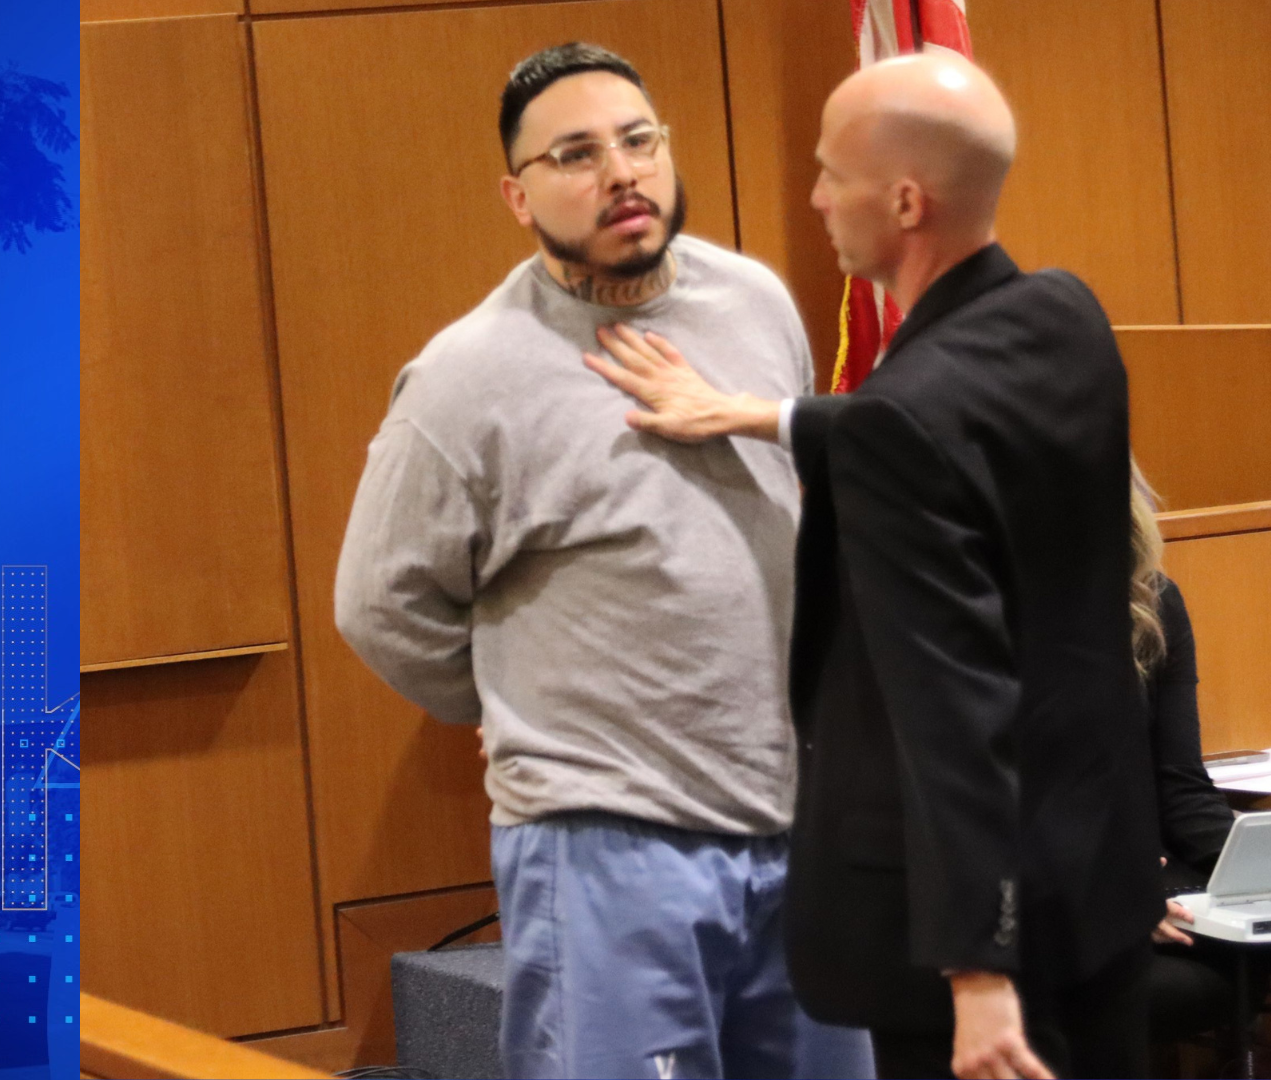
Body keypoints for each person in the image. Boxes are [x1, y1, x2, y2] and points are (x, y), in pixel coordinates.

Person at [582, 52, 1164, 1079]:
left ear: (904, 200)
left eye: (828, 173)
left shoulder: (905, 424)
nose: (813, 198)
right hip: (1099, 893)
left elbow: (953, 707)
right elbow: (948, 426)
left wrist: (977, 979)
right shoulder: (1063, 317)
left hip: (979, 959)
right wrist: (771, 414)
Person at [333, 42, 872, 1080]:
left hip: (795, 824)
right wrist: (504, 701)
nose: (621, 172)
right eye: (575, 155)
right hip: (607, 844)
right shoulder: (466, 377)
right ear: (518, 197)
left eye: (638, 140)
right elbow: (378, 603)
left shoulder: (756, 301)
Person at [1128, 466, 1271, 1051]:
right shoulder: (993, 607)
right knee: (1183, 980)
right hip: (1040, 882)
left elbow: (1182, 787)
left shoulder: (1154, 602)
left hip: (1154, 868)